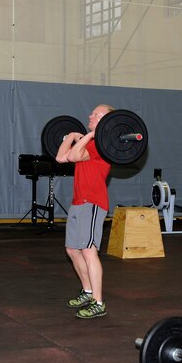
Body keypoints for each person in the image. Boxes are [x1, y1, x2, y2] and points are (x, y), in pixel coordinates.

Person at [55, 104, 113, 319]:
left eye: (95, 114)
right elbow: (60, 158)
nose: (90, 115)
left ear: (106, 120)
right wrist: (71, 135)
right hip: (79, 202)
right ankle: (88, 292)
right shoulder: (90, 143)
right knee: (72, 249)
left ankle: (98, 302)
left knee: (89, 251)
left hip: (93, 202)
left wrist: (88, 136)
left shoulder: (102, 146)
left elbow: (73, 157)